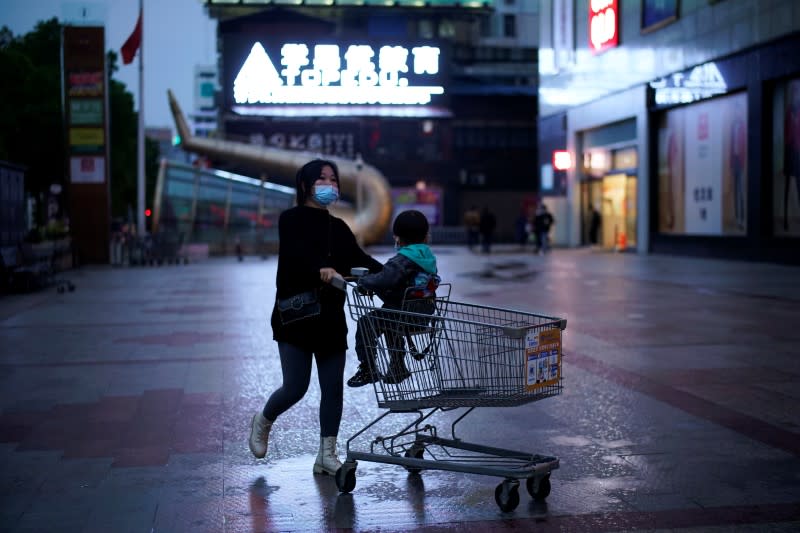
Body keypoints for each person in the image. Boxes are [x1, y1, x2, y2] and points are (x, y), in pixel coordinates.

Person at [248, 159, 383, 476]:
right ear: (307, 185)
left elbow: (358, 259)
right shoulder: (290, 219)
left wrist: (394, 274)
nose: (330, 185)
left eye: (334, 179)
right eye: (322, 179)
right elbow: (297, 254)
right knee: (295, 386)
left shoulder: (338, 226)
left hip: (330, 318)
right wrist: (319, 268)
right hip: (296, 316)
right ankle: (263, 420)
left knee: (333, 388)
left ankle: (326, 454)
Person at [347, 210, 441, 388]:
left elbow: (385, 279)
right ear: (426, 236)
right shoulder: (427, 256)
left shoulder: (402, 260)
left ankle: (368, 368)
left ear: (397, 238)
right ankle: (397, 367)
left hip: (405, 313)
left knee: (366, 323)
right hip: (423, 312)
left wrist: (364, 282)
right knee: (388, 319)